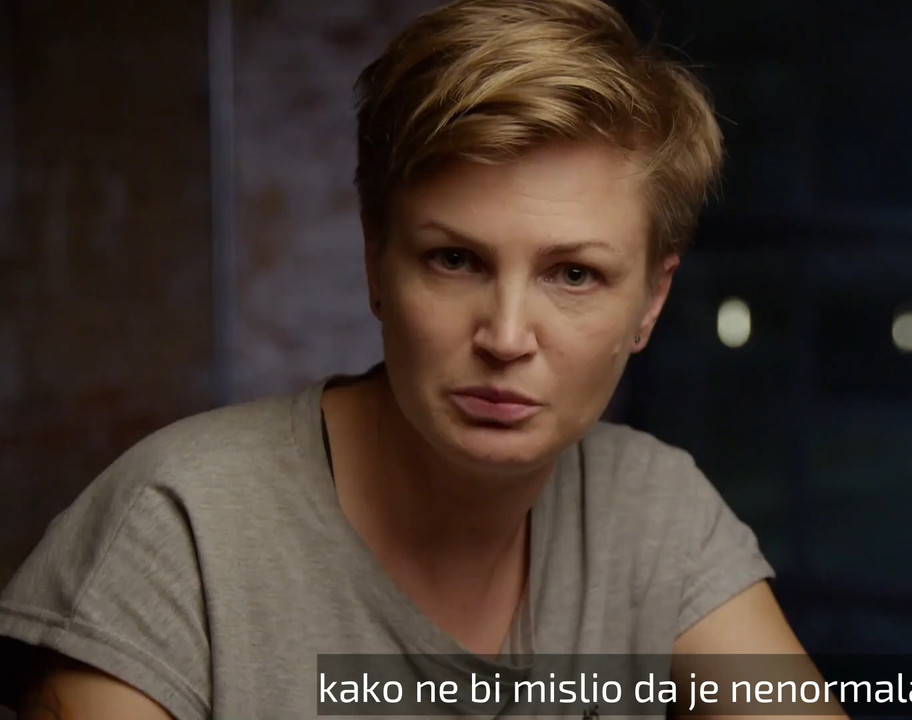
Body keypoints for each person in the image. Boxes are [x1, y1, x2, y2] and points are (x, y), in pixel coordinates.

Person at [0, 0, 843, 717]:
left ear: (652, 301)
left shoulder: (651, 509)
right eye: (455, 260)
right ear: (376, 264)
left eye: (574, 275)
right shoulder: (177, 530)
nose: (506, 336)